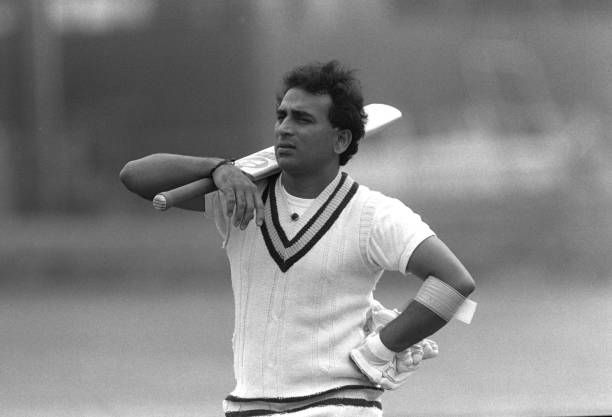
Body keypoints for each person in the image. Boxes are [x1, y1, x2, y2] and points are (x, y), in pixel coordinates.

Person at [120, 60, 476, 417]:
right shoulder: (239, 195)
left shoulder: (374, 214)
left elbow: (454, 282)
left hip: (339, 405)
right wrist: (217, 167)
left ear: (340, 139)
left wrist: (380, 350)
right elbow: (135, 177)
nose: (284, 129)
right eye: (282, 117)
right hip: (249, 405)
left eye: (302, 120)